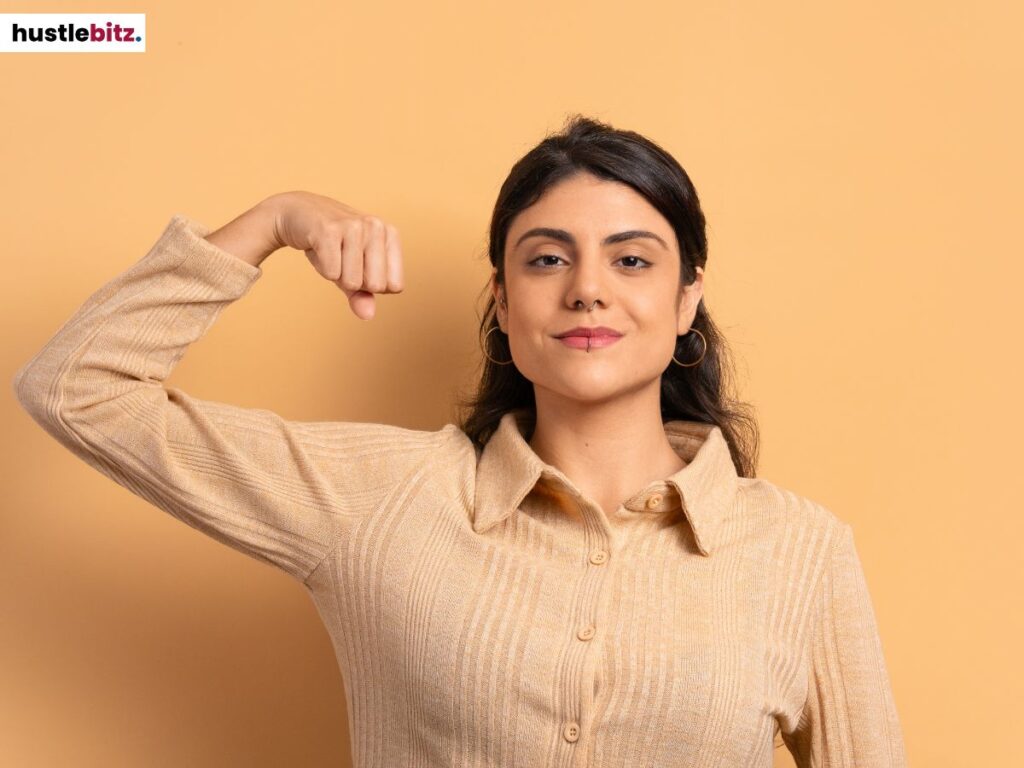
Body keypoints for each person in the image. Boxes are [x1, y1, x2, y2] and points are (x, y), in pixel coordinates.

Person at [12, 114, 907, 766]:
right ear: (503, 303)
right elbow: (77, 388)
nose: (588, 289)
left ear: (685, 302)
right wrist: (274, 221)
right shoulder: (380, 498)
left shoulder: (801, 554)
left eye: (632, 259)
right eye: (547, 258)